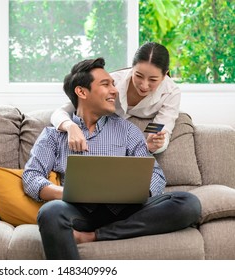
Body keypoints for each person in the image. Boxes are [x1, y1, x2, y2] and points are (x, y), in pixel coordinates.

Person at [22, 57, 201, 260]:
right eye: (105, 84)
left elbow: (156, 175)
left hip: (128, 210)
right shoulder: (53, 136)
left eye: (113, 84)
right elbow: (31, 177)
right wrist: (65, 193)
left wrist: (134, 192)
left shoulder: (127, 130)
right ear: (81, 92)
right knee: (50, 212)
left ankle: (93, 237)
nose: (115, 91)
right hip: (80, 211)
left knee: (188, 202)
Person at [51, 42, 180, 154]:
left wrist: (155, 144)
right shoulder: (112, 82)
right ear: (132, 68)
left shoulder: (170, 93)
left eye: (153, 79)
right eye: (139, 76)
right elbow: (60, 112)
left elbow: (162, 129)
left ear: (164, 76)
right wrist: (70, 126)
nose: (144, 85)